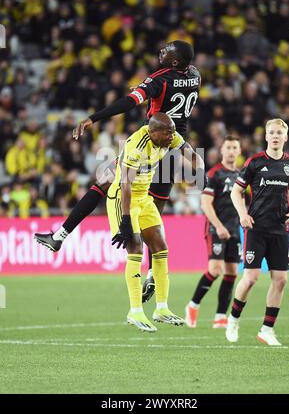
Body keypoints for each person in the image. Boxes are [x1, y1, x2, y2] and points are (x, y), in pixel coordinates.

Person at [34, 40, 201, 302]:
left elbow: (129, 102)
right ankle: (152, 276)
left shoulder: (160, 78)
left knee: (103, 183)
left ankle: (59, 236)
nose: (162, 51)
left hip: (153, 142)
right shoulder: (195, 75)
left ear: (175, 61)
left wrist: (93, 118)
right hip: (176, 147)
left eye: (167, 51)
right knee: (153, 216)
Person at [107, 113, 205, 332]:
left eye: (172, 131)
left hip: (144, 198)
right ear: (152, 132)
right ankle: (135, 310)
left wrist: (201, 174)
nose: (172, 136)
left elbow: (194, 156)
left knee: (161, 249)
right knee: (135, 248)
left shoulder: (171, 137)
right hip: (124, 198)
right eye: (167, 132)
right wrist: (124, 219)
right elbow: (125, 185)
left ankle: (161, 308)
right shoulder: (136, 145)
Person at [225, 119, 289, 346]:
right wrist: (242, 215)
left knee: (280, 280)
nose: (275, 136)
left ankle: (267, 329)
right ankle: (233, 320)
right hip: (256, 228)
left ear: (285, 137)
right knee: (251, 279)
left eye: (279, 133)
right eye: (271, 133)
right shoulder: (255, 162)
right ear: (266, 137)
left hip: (280, 229)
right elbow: (236, 192)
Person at [185, 136, 242, 329]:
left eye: (235, 147)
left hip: (234, 229)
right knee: (215, 269)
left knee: (232, 273)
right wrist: (218, 226)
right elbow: (205, 204)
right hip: (215, 228)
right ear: (222, 151)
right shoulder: (214, 174)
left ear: (240, 151)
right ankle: (193, 305)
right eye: (228, 147)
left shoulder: (241, 176)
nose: (232, 151)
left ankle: (220, 316)